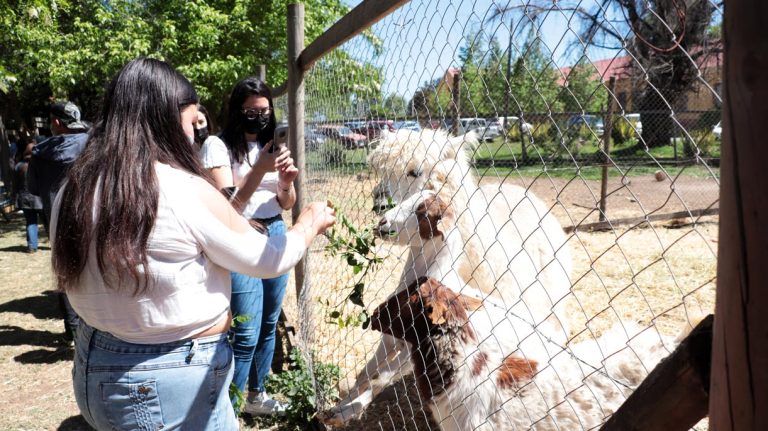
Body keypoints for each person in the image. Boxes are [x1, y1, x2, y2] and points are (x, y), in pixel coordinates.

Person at [50, 57, 335, 430]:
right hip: (167, 382)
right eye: (189, 122)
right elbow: (266, 258)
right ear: (165, 119)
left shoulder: (75, 186)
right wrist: (310, 222)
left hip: (95, 363)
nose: (193, 135)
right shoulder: (180, 188)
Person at [201, 77, 299, 416]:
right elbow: (229, 206)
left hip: (275, 231)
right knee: (245, 330)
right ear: (236, 111)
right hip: (239, 235)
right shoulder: (217, 146)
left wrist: (285, 184)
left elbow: (286, 203)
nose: (257, 117)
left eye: (264, 110)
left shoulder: (273, 146)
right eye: (249, 111)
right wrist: (260, 169)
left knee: (269, 322)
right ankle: (229, 408)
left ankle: (256, 396)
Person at [27, 100, 89, 343]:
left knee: (66, 274)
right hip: (92, 219)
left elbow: (32, 188)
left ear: (55, 122)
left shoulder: (40, 153)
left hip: (56, 221)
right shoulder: (93, 145)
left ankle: (72, 329)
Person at [13, 141, 45, 253]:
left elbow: (15, 184)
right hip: (40, 199)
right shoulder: (42, 165)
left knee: (31, 222)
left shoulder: (18, 166)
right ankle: (56, 243)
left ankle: (32, 246)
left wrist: (14, 197)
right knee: (48, 222)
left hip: (25, 199)